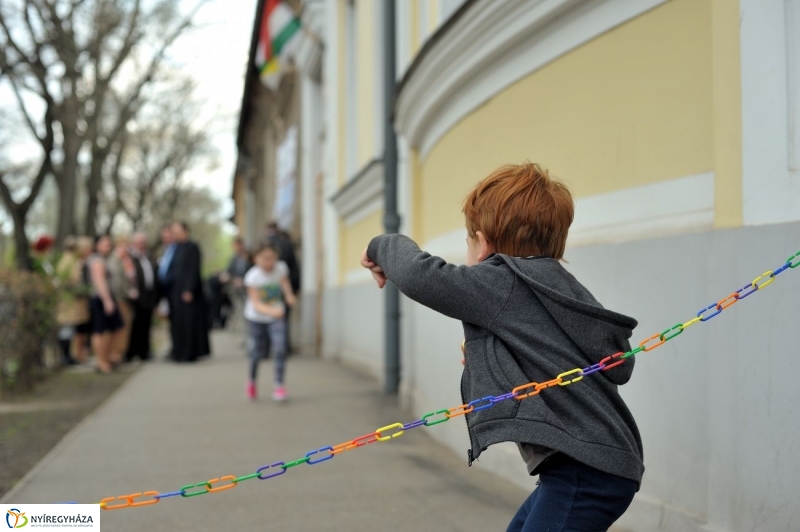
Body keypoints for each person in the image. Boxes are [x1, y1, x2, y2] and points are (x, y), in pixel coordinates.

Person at [360, 163, 642, 532]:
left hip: (584, 473)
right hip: (601, 463)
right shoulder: (557, 285)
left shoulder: (501, 279)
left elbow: (419, 276)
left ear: (484, 244)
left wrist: (382, 245)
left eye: (469, 242)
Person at [243, 241, 297, 401]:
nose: (269, 262)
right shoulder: (252, 277)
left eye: (272, 258)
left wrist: (289, 296)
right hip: (256, 318)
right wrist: (274, 311)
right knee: (256, 352)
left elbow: (285, 284)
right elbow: (256, 304)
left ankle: (279, 386)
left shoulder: (280, 268)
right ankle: (252, 380)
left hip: (276, 317)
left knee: (280, 348)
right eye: (264, 259)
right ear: (255, 259)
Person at [167, 221, 210, 362]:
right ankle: (178, 351)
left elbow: (193, 270)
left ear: (185, 231)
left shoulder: (192, 247)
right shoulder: (176, 248)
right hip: (176, 291)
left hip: (187, 292)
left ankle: (189, 352)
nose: (174, 234)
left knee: (189, 323)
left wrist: (188, 289)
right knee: (178, 323)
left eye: (176, 230)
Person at [87, 235, 124, 374]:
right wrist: (107, 300)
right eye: (105, 243)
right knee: (100, 331)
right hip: (101, 299)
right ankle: (101, 361)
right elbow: (99, 281)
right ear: (97, 245)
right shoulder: (97, 261)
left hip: (106, 298)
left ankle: (107, 358)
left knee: (114, 328)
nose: (108, 245)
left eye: (109, 243)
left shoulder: (105, 259)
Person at [53, 236, 90, 366]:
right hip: (70, 301)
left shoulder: (65, 260)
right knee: (67, 329)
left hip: (70, 301)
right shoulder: (70, 262)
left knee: (69, 328)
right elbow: (72, 281)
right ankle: (67, 357)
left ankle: (70, 356)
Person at [263, 222, 300, 352]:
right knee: (282, 318)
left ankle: (265, 348)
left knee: (266, 316)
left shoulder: (264, 244)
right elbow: (294, 268)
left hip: (266, 288)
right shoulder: (286, 244)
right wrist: (295, 289)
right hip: (284, 288)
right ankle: (283, 347)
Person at [127, 232, 159, 362]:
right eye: (139, 243)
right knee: (135, 325)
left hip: (148, 296)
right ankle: (132, 352)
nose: (142, 245)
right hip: (135, 297)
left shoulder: (148, 257)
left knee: (146, 324)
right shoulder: (129, 258)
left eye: (143, 243)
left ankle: (144, 351)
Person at [108, 235, 137, 364]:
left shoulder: (126, 260)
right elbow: (117, 281)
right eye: (123, 245)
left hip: (125, 298)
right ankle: (116, 354)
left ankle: (120, 353)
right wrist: (127, 292)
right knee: (120, 328)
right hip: (119, 298)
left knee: (125, 327)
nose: (126, 248)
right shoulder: (115, 259)